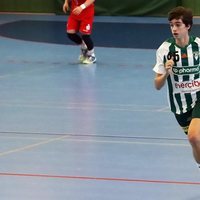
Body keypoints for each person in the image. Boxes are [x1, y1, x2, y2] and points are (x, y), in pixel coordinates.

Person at [153, 6, 200, 168]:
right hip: (179, 105)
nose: (174, 28)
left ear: (187, 26)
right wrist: (166, 72)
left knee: (194, 136)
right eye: (171, 25)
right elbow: (157, 85)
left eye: (178, 24)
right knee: (195, 141)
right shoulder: (165, 50)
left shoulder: (198, 46)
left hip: (198, 96)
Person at [63, 0, 96, 64]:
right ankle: (84, 47)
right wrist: (66, 2)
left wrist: (82, 7)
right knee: (70, 33)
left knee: (85, 35)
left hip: (86, 13)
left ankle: (91, 55)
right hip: (75, 13)